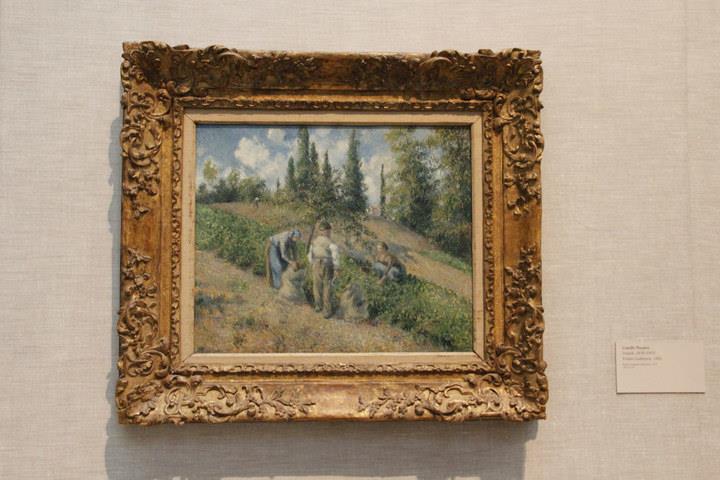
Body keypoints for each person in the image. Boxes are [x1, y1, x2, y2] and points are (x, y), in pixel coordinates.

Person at [307, 221, 339, 318]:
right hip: (327, 264)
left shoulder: (314, 242)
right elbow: (335, 256)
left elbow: (310, 255)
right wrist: (336, 268)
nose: (329, 233)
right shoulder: (331, 243)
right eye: (329, 231)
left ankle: (318, 306)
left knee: (317, 285)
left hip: (316, 264)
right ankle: (327, 311)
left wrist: (313, 263)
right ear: (326, 231)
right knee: (327, 287)